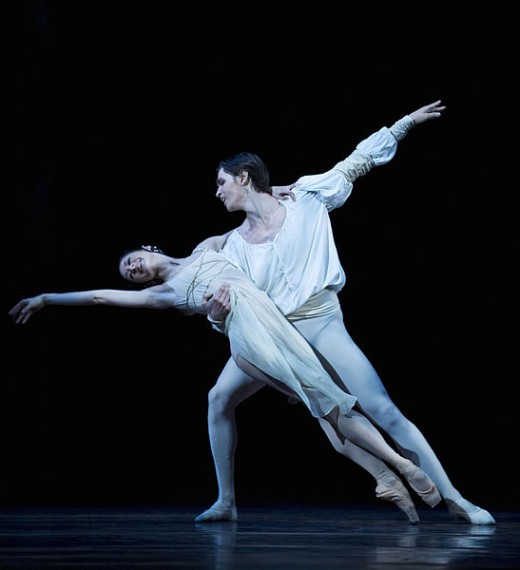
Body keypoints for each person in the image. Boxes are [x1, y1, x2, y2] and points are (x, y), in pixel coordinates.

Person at [197, 100, 496, 525]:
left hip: (320, 323)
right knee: (218, 398)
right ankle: (226, 502)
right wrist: (215, 314)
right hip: (274, 337)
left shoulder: (305, 197)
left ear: (244, 177)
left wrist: (403, 125)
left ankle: (455, 498)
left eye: (222, 182)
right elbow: (232, 306)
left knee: (383, 409)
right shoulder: (234, 244)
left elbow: (355, 163)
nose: (218, 190)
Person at [9, 243, 441, 524]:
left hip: (274, 322)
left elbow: (254, 218)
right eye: (129, 273)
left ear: (149, 247)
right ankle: (228, 501)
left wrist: (281, 188)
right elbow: (101, 297)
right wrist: (48, 298)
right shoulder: (163, 294)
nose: (132, 269)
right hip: (247, 339)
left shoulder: (208, 246)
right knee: (226, 400)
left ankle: (391, 470)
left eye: (132, 260)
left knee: (319, 405)